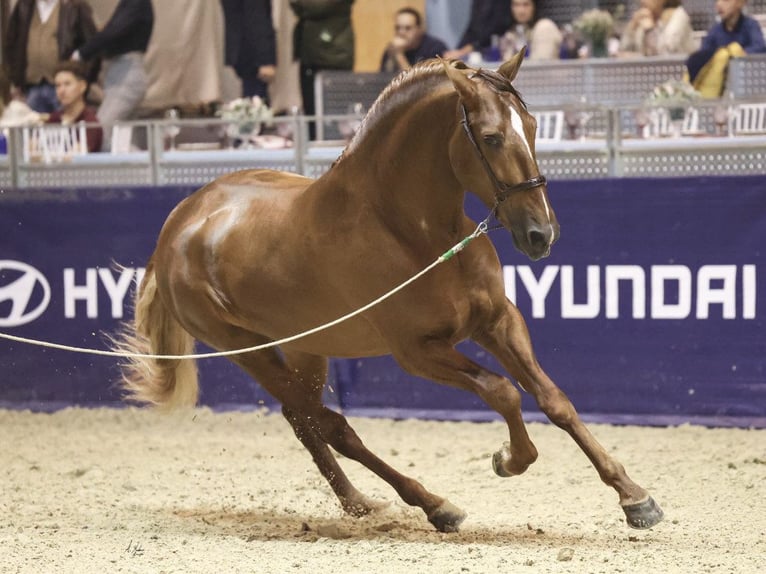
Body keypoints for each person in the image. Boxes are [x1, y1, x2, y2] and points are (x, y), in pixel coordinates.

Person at [72, 0, 154, 149]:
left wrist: (82, 53)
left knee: (101, 133)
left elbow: (114, 31)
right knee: (122, 139)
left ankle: (147, 167)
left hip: (126, 73)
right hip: (121, 72)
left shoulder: (136, 3)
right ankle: (141, 168)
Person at [4, 0, 98, 113]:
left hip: (66, 88)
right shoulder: (24, 5)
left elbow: (92, 45)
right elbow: (11, 44)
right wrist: (15, 79)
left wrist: (83, 81)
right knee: (35, 128)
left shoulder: (75, 6)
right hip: (31, 87)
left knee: (66, 127)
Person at [290, 0, 354, 134]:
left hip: (333, 58)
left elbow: (316, 7)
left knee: (332, 118)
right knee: (311, 114)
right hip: (309, 55)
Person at [686, 0, 766, 97]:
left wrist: (737, 55)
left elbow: (760, 48)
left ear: (740, 3)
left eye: (726, 0)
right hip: (719, 92)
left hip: (746, 87)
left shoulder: (751, 25)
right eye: (717, 0)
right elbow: (704, 55)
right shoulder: (715, 30)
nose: (719, 4)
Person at [221, 0, 277, 102]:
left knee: (250, 100)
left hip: (241, 48)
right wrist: (265, 60)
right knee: (256, 103)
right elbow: (257, 20)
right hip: (253, 54)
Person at [46, 61, 102, 152]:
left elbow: (75, 157)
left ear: (82, 86)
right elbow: (32, 149)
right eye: (58, 85)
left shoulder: (90, 122)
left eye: (67, 84)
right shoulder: (54, 119)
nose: (62, 90)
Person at [380, 7, 448, 72]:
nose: (401, 32)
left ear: (419, 29)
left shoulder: (435, 49)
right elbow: (383, 79)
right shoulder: (392, 49)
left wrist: (399, 55)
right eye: (397, 28)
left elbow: (420, 82)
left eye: (408, 28)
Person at [619, 0, 696, 57]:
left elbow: (666, 56)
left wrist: (650, 31)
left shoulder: (678, 16)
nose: (642, 1)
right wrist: (632, 27)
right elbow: (624, 50)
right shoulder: (645, 18)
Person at [444, 0, 509, 60]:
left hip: (494, 53)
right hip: (476, 48)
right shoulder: (478, 2)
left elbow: (495, 30)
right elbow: (471, 29)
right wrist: (456, 51)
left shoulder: (501, 3)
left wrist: (463, 51)